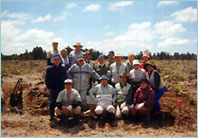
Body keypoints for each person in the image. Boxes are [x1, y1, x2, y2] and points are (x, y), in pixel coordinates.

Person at [45, 55, 67, 121]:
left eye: (58, 60)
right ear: (53, 60)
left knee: (61, 102)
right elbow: (47, 79)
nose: (57, 61)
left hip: (61, 88)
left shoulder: (63, 69)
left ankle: (60, 115)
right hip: (53, 88)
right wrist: (48, 87)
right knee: (52, 102)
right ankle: (52, 115)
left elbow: (65, 78)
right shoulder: (49, 69)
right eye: (55, 60)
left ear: (60, 60)